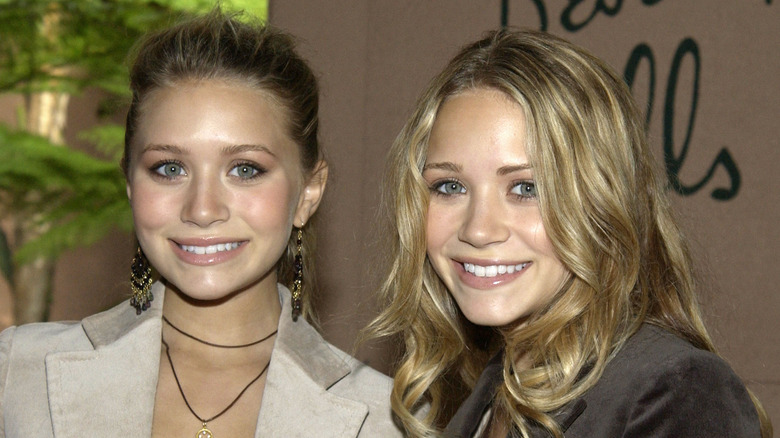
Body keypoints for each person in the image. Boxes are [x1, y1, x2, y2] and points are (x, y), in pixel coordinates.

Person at [0, 10, 402, 437]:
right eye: (170, 168)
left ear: (308, 192)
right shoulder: (17, 376)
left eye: (245, 169)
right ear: (131, 186)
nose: (203, 209)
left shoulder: (386, 421)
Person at [367, 29, 772, 437]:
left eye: (527, 188)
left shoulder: (676, 391)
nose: (478, 229)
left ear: (602, 202)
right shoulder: (492, 390)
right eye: (450, 187)